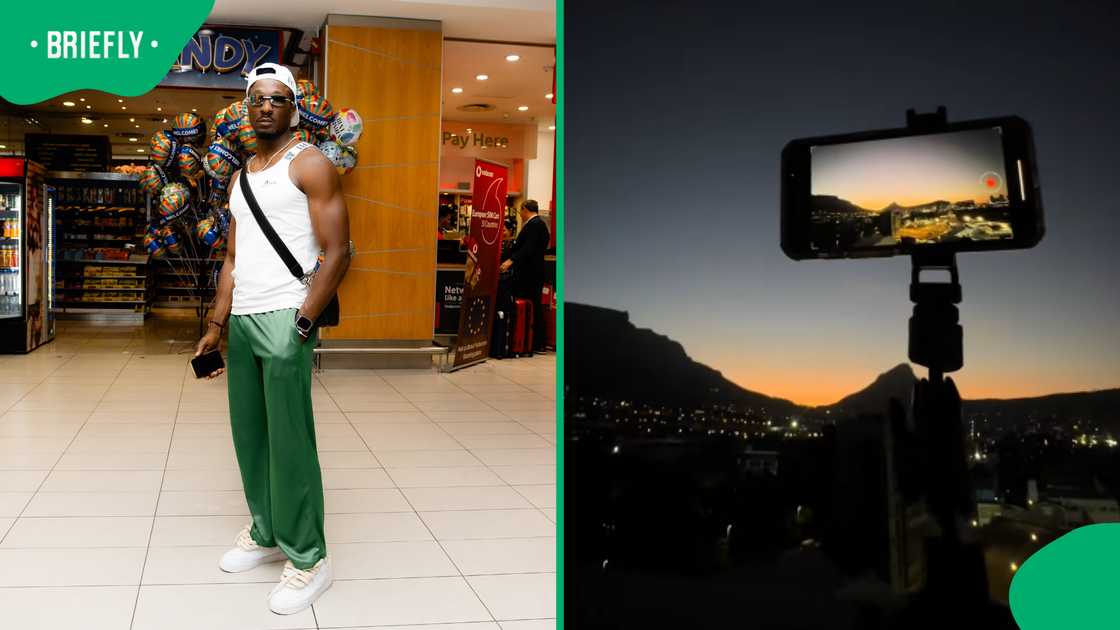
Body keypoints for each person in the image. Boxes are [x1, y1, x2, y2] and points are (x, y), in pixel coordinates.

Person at [194, 62, 351, 615]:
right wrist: (215, 325)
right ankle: (265, 531)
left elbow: (339, 251)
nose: (265, 106)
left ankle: (309, 557)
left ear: (294, 108)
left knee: (290, 441)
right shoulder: (240, 177)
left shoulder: (310, 163)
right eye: (257, 98)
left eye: (277, 98)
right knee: (251, 437)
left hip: (286, 316)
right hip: (242, 320)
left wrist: (303, 322)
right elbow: (232, 258)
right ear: (246, 107)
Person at [500, 199, 550, 353]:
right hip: (533, 272)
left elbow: (528, 248)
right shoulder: (539, 225)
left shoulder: (534, 225)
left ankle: (535, 342)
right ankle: (532, 341)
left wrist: (511, 260)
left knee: (532, 305)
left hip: (529, 274)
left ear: (525, 209)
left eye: (521, 211)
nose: (520, 214)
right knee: (534, 305)